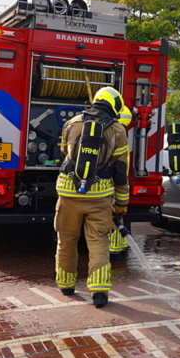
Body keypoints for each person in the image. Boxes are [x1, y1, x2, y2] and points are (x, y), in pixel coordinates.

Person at [53, 86, 130, 308]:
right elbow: (120, 170)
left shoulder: (72, 123)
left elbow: (63, 154)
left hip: (68, 191)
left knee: (66, 239)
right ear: (115, 105)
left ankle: (66, 284)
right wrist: (122, 203)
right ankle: (99, 291)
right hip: (100, 194)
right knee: (98, 242)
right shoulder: (118, 129)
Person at [107, 105, 133, 262]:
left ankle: (115, 248)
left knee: (114, 216)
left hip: (112, 183)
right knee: (117, 215)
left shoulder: (113, 136)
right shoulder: (120, 136)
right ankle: (118, 247)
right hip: (118, 184)